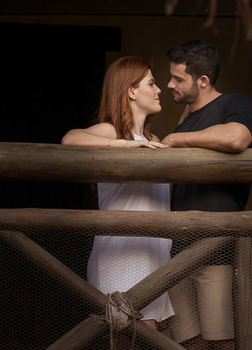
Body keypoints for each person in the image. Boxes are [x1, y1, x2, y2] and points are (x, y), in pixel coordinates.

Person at [61, 56, 174, 330]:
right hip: (121, 256)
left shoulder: (154, 141)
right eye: (151, 83)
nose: (159, 90)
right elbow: (70, 139)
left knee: (149, 339)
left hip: (154, 258)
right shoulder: (109, 131)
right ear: (131, 91)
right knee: (132, 339)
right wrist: (124, 146)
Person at [161, 40, 252, 350]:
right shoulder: (186, 116)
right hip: (178, 248)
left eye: (178, 78)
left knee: (221, 343)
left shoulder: (235, 103)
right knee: (189, 343)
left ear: (202, 80)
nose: (169, 84)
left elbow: (237, 137)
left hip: (216, 248)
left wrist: (178, 139)